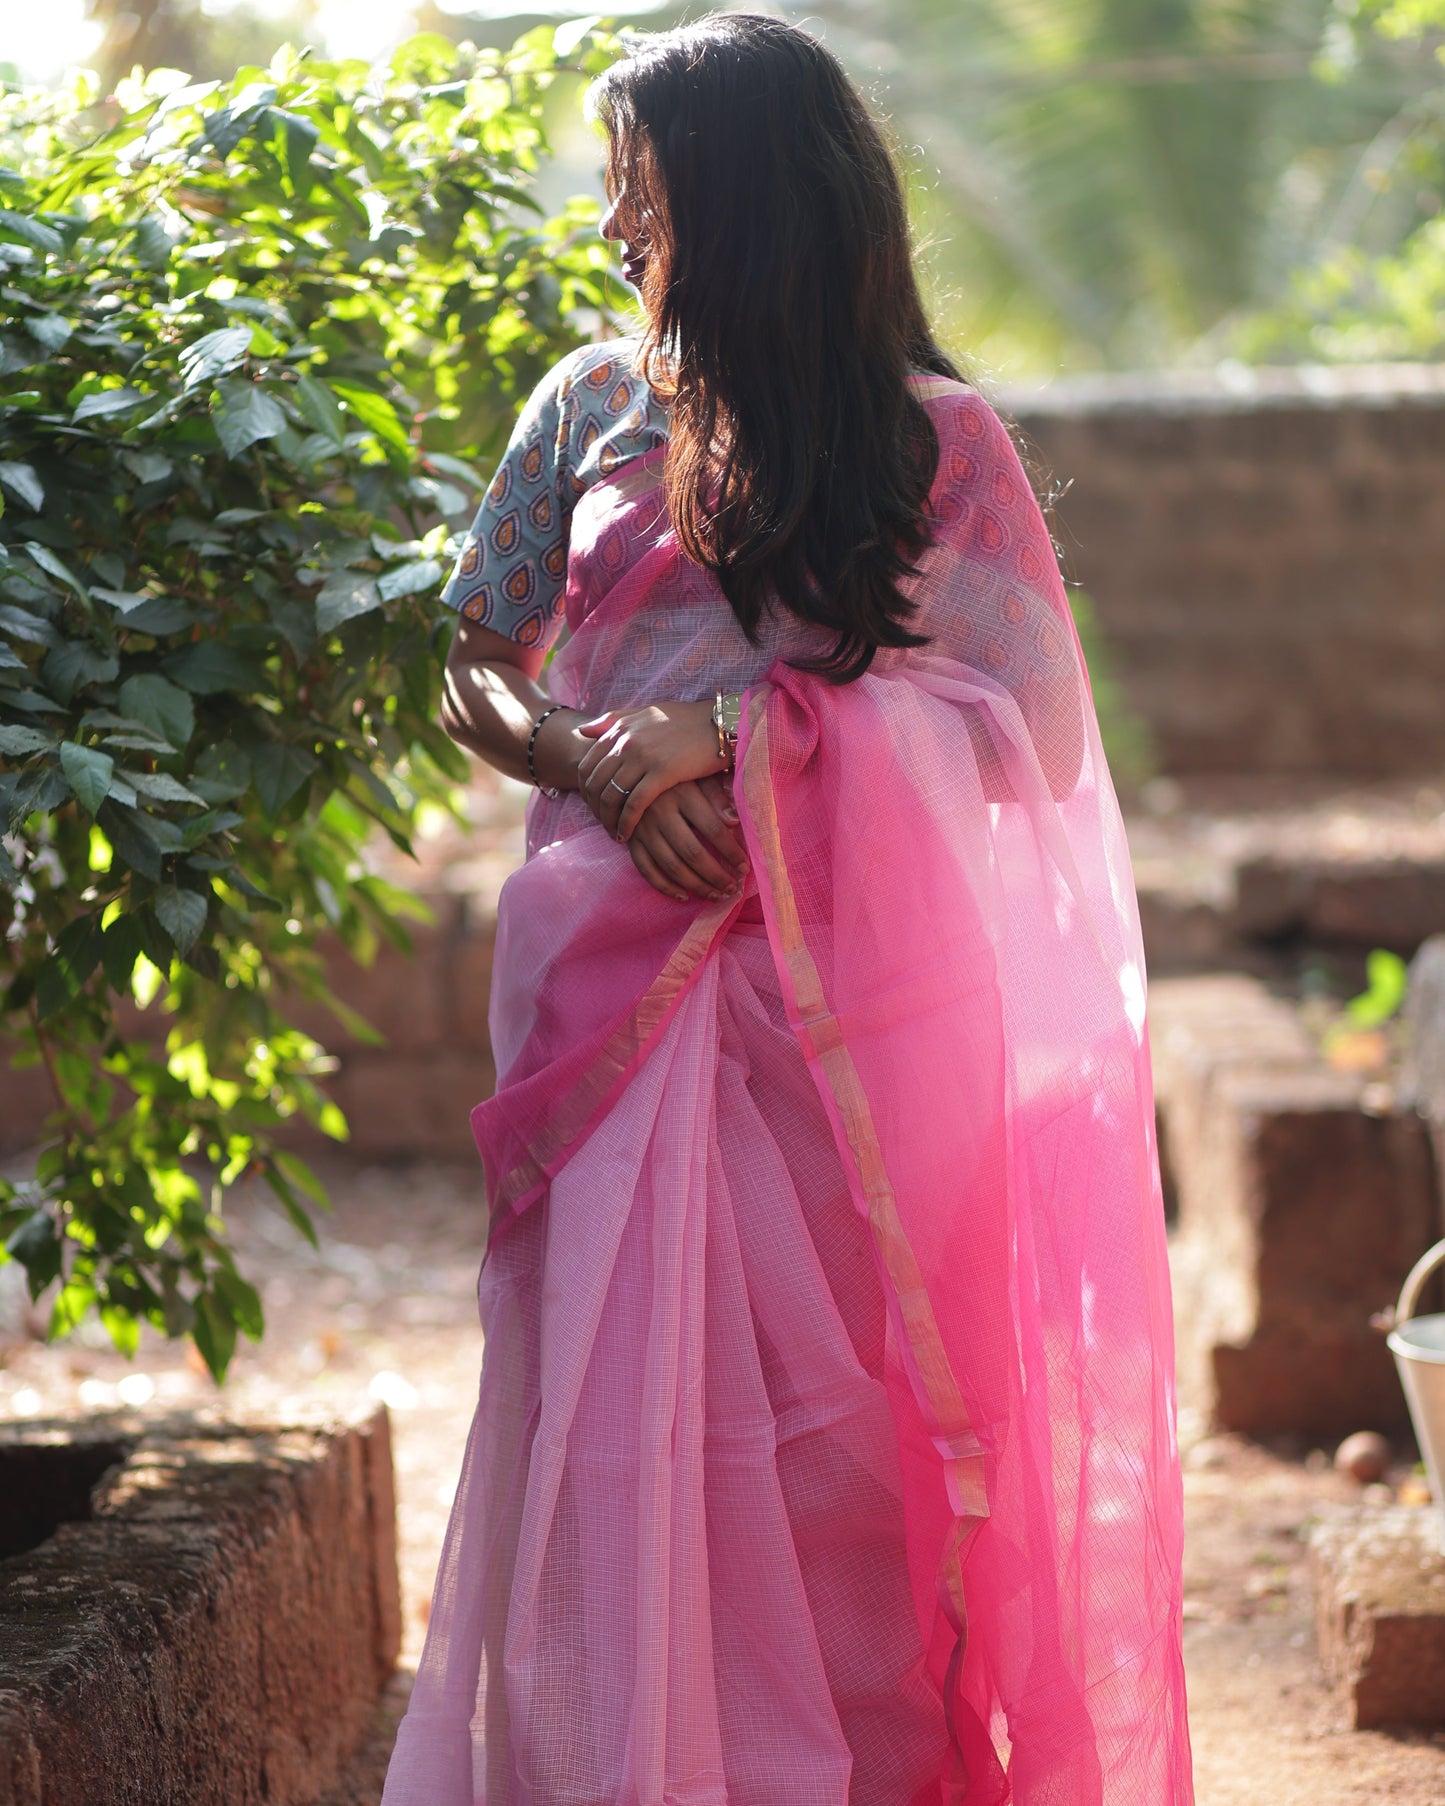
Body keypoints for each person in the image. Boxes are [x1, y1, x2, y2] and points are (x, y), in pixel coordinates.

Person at [380, 15, 1193, 1804]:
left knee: (852, 1447)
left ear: (745, 205)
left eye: (643, 195)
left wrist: (755, 749)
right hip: (611, 999)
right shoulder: (590, 407)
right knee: (615, 1431)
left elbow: (1031, 731)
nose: (613, 234)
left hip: (859, 1027)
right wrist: (603, 767)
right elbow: (472, 659)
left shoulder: (938, 447)